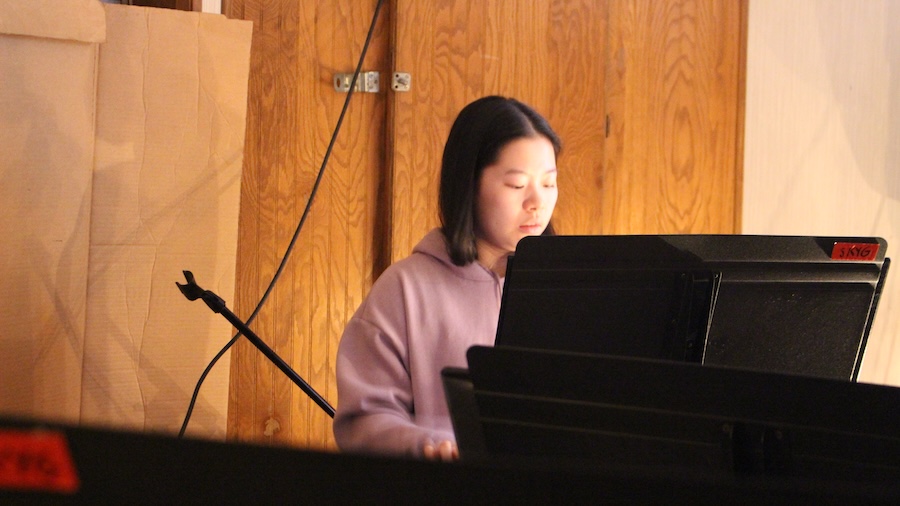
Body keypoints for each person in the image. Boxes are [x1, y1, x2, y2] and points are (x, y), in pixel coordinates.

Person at [333, 96, 561, 461]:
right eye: (517, 185)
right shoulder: (406, 289)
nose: (537, 202)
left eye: (549, 184)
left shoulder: (564, 289)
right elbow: (364, 421)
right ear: (468, 184)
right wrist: (428, 445)